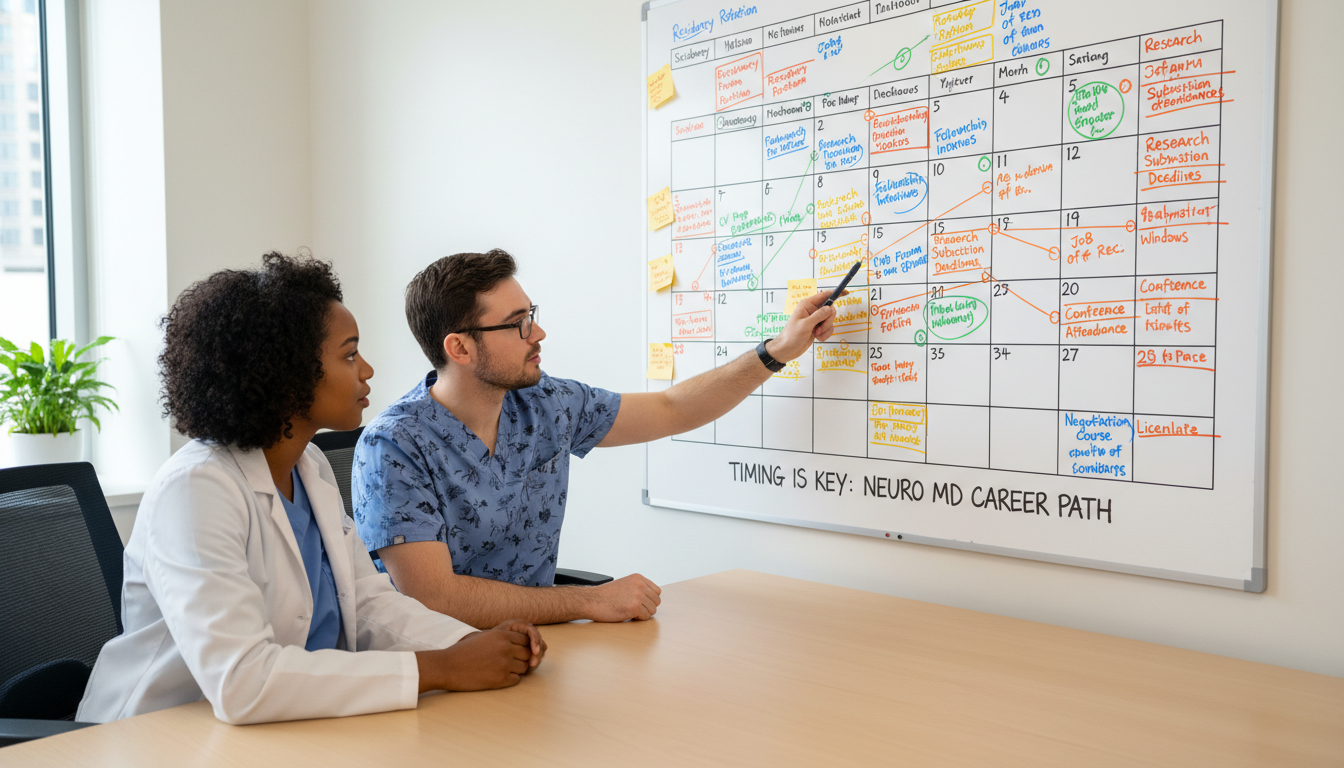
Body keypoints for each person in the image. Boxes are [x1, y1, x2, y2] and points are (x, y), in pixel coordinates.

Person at [77, 253, 545, 725]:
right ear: (284, 373)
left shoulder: (309, 466)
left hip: (286, 729)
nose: (367, 370)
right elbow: (242, 681)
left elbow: (366, 602)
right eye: (348, 354)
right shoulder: (196, 489)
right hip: (160, 736)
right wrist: (440, 667)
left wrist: (465, 643)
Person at [352, 249, 838, 628]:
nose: (537, 332)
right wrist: (588, 600)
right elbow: (433, 599)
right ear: (459, 348)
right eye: (517, 323)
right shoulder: (393, 446)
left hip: (537, 649)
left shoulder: (546, 402)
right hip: (439, 663)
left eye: (532, 313)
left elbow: (671, 408)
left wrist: (778, 351)